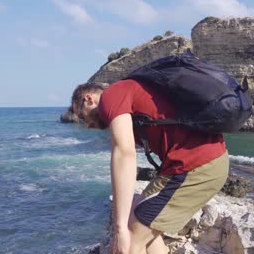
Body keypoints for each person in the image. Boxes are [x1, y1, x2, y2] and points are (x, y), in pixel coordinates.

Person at [71, 80, 229, 254]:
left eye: (81, 116)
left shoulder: (112, 95)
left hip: (196, 165)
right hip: (186, 166)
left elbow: (124, 154)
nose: (86, 124)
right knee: (141, 226)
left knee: (130, 237)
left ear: (88, 99)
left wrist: (119, 227)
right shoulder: (125, 100)